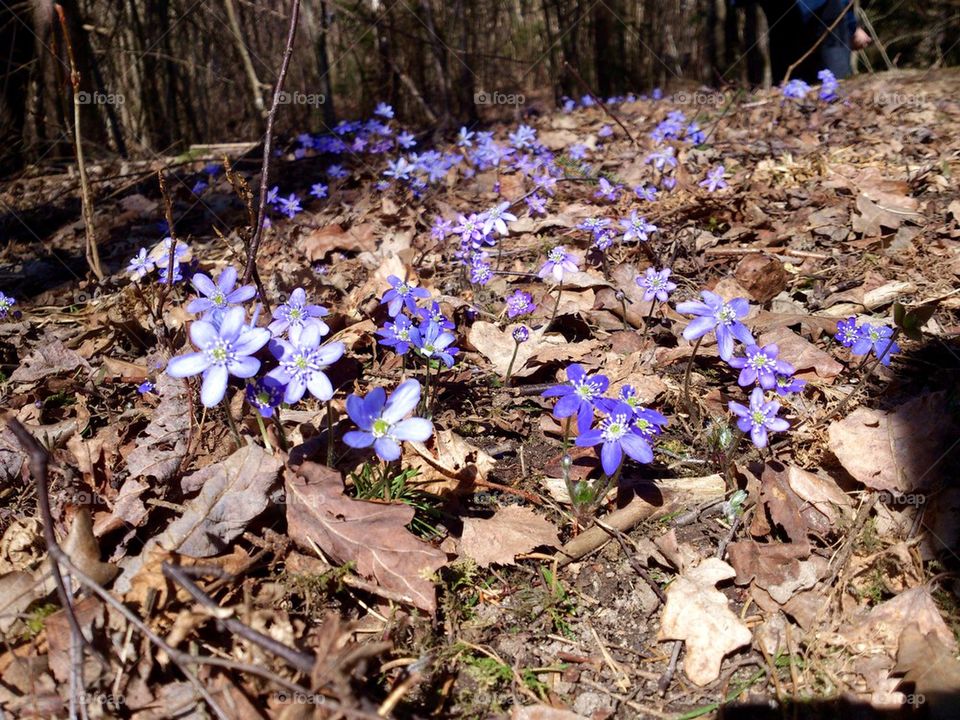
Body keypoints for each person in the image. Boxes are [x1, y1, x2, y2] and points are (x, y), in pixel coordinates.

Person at [752, 0, 872, 84]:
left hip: (825, 15)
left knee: (836, 88)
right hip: (784, 19)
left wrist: (852, 26)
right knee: (793, 96)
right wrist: (852, 26)